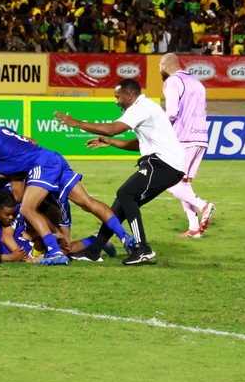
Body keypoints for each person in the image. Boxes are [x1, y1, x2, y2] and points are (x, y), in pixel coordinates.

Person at [0, 125, 135, 266]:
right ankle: (126, 238)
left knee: (27, 208)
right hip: (53, 158)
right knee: (87, 202)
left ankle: (55, 252)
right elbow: (32, 143)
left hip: (42, 165)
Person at [54, 78, 186, 265]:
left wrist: (76, 123)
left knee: (126, 193)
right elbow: (137, 144)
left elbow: (112, 129)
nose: (116, 101)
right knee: (120, 205)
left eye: (118, 97)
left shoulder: (142, 107)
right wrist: (110, 143)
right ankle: (93, 250)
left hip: (164, 164)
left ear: (130, 95)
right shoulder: (145, 108)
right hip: (165, 164)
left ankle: (142, 249)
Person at [159, 53, 215, 238]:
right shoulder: (197, 83)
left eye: (160, 67)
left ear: (165, 66)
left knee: (169, 181)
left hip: (183, 138)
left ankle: (203, 205)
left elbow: (172, 112)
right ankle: (193, 228)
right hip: (201, 137)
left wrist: (161, 128)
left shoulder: (172, 81)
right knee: (185, 184)